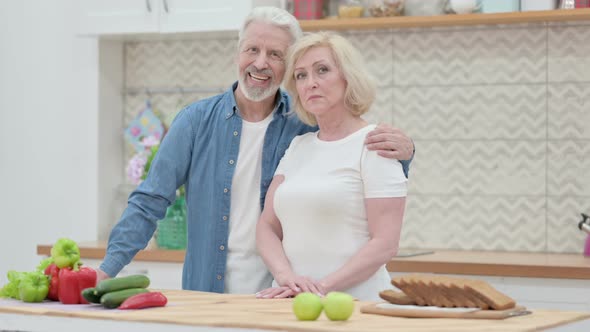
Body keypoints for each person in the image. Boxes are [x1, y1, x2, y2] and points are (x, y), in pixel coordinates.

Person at [97, 7, 414, 295]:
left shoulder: (303, 126)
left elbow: (356, 156)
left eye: (275, 54)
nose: (261, 63)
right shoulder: (195, 122)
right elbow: (150, 201)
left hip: (280, 296)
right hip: (209, 293)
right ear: (238, 53)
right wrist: (107, 268)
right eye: (252, 49)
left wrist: (406, 153)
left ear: (288, 65)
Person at [255, 32, 407, 301]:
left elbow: (385, 244)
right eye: (301, 76)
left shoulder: (374, 144)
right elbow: (267, 225)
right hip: (294, 303)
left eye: (322, 70)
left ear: (348, 77)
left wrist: (321, 288)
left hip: (358, 305)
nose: (310, 83)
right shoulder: (298, 146)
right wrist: (286, 278)